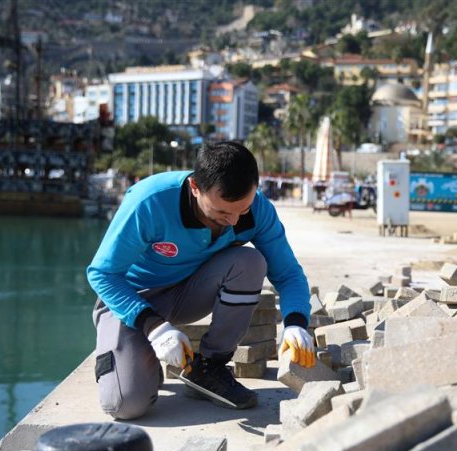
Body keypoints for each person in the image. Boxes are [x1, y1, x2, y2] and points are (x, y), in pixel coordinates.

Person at [87, 141, 315, 420]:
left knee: (250, 262)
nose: (232, 221)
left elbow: (289, 273)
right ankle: (138, 354)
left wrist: (296, 323)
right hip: (131, 300)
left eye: (241, 210)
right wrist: (154, 328)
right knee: (124, 405)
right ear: (195, 188)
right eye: (221, 212)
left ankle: (209, 368)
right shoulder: (150, 201)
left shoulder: (258, 209)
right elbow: (102, 274)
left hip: (188, 293)